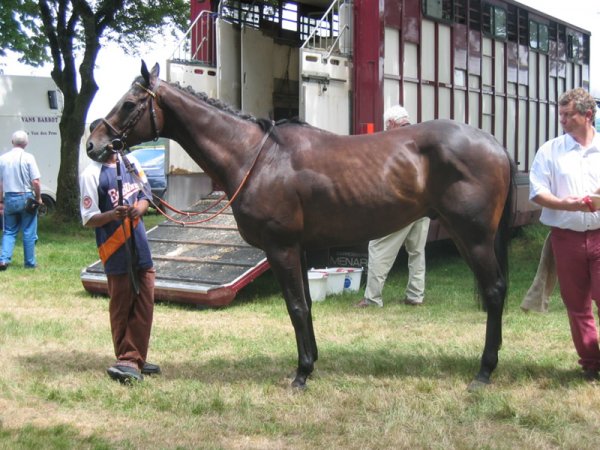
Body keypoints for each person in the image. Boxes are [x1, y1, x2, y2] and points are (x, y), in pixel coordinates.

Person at [529, 87, 600, 381]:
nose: (562, 120)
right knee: (576, 303)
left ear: (588, 115)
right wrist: (565, 204)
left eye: (568, 115)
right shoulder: (550, 150)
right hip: (566, 237)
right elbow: (537, 191)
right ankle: (592, 363)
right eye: (560, 114)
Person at [80, 146, 160, 383]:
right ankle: (127, 358)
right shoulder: (91, 174)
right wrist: (113, 215)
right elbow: (88, 218)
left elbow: (146, 195)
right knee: (122, 303)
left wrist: (138, 210)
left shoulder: (131, 162)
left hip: (139, 243)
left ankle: (135, 357)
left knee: (145, 299)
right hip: (114, 247)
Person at [356, 105, 431, 308]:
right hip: (424, 204)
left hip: (402, 206)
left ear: (390, 123)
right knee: (417, 251)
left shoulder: (395, 141)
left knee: (379, 247)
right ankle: (415, 296)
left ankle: (372, 299)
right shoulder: (422, 138)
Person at [0, 130, 42, 270]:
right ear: (26, 143)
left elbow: (0, 183)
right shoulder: (29, 158)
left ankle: (4, 260)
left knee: (9, 231)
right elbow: (35, 181)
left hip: (9, 198)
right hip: (26, 197)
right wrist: (38, 198)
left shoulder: (3, 158)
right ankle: (29, 263)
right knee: (29, 231)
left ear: (12, 142)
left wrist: (1, 200)